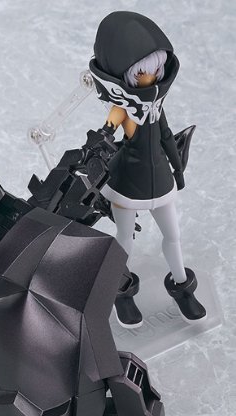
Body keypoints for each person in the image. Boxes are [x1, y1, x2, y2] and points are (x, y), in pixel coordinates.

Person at [88, 11, 206, 327]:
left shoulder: (156, 104)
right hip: (127, 182)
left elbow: (166, 137)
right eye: (143, 72)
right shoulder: (123, 107)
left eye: (155, 69)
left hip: (160, 178)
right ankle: (120, 291)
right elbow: (108, 128)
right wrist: (100, 139)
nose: (151, 77)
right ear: (127, 74)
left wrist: (178, 170)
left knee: (173, 235)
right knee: (124, 240)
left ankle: (182, 287)